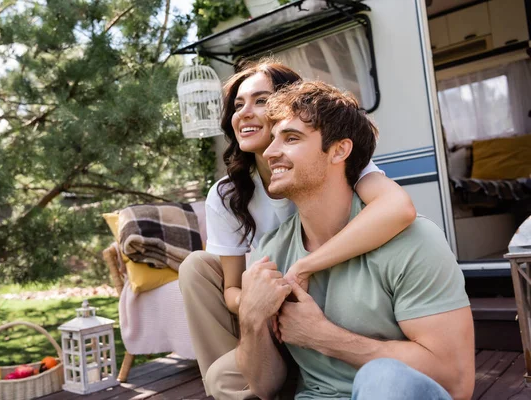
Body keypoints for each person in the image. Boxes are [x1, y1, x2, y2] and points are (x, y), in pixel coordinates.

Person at [179, 60, 416, 397]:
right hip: (271, 306)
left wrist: (304, 267)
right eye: (238, 104)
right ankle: (248, 383)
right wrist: (263, 303)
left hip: (330, 296)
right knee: (196, 269)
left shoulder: (333, 158)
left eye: (260, 101)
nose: (245, 112)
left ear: (286, 107)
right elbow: (231, 289)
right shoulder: (228, 193)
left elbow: (399, 208)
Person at [231, 81, 475, 400]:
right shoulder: (271, 252)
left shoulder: (414, 241)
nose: (271, 152)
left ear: (339, 151)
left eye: (291, 138)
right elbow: (264, 387)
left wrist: (324, 337)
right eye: (273, 139)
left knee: (384, 379)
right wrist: (250, 318)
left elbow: (455, 382)